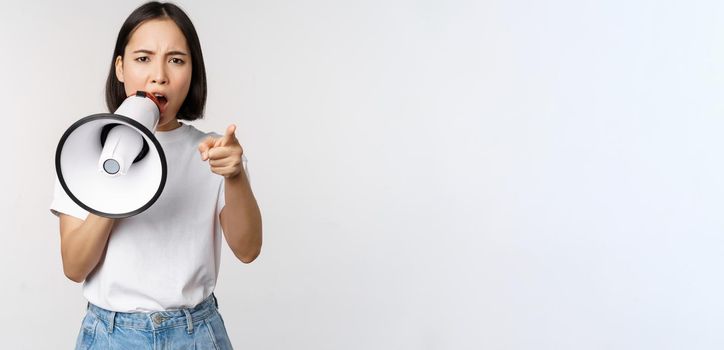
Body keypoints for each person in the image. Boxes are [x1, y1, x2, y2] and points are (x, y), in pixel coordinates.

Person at [49, 2, 262, 349]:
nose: (159, 74)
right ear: (120, 67)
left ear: (192, 71)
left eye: (176, 60)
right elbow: (74, 267)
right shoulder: (85, 150)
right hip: (110, 334)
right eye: (143, 58)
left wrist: (235, 177)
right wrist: (116, 184)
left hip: (194, 334)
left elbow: (249, 249)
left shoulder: (214, 151)